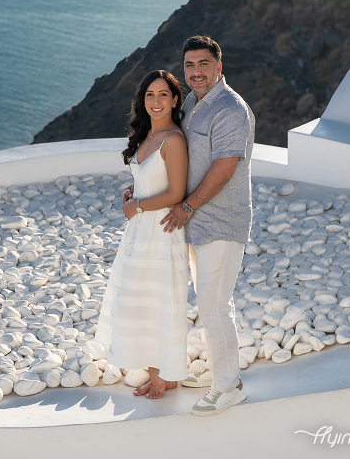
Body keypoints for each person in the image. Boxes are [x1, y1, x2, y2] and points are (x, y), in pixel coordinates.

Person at [161, 36, 255, 417]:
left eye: (203, 64)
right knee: (209, 303)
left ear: (219, 65)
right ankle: (222, 372)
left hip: (220, 222)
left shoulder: (231, 110)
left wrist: (185, 205)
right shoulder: (191, 102)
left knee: (215, 307)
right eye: (189, 65)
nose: (195, 72)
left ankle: (228, 387)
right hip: (195, 222)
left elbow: (224, 168)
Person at [95, 70, 189, 399]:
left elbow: (176, 192)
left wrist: (139, 206)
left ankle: (166, 375)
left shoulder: (173, 140)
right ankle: (155, 372)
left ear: (175, 99)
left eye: (163, 95)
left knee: (161, 303)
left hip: (162, 231)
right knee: (141, 303)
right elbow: (154, 178)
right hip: (141, 231)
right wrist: (135, 191)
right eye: (150, 95)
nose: (156, 101)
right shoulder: (147, 135)